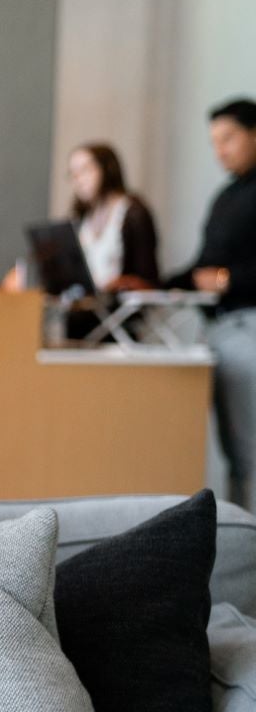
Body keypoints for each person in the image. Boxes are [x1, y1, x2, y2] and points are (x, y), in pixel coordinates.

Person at [170, 97, 256, 508]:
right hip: (219, 331)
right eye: (214, 142)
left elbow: (220, 273)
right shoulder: (226, 197)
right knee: (235, 454)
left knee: (251, 454)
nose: (221, 150)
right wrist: (157, 283)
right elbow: (202, 267)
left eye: (229, 138)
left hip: (248, 330)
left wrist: (227, 280)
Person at [67, 142, 160, 291]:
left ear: (107, 169)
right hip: (86, 305)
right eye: (73, 173)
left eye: (85, 170)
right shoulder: (82, 218)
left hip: (120, 307)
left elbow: (148, 278)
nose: (78, 179)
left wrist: (119, 284)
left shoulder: (132, 213)